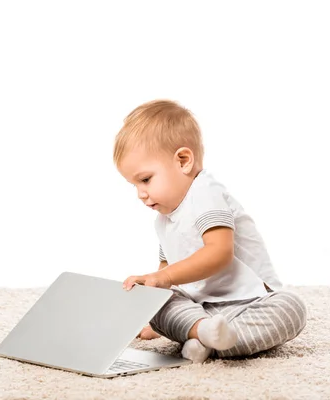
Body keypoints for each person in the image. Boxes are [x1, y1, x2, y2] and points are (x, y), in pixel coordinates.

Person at [114, 99, 307, 363]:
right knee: (160, 301)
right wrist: (152, 298)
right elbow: (166, 268)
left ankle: (201, 340)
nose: (140, 193)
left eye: (145, 179)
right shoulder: (164, 218)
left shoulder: (206, 192)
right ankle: (202, 332)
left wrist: (165, 278)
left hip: (249, 301)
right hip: (203, 309)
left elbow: (219, 253)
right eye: (133, 185)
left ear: (183, 160)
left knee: (291, 308)